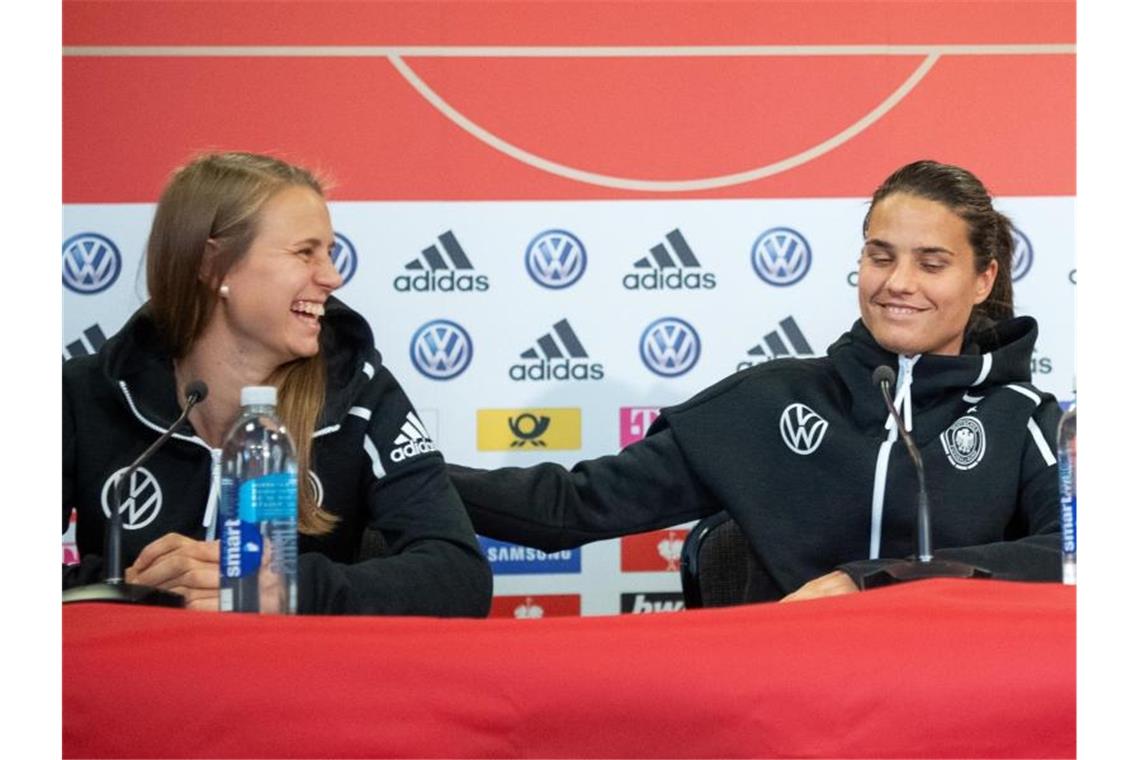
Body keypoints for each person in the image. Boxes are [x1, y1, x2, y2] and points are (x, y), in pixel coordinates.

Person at [450, 159, 1062, 602]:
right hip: (787, 710)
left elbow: (1074, 556)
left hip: (950, 713)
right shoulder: (770, 402)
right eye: (880, 256)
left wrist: (875, 579)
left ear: (982, 280)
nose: (898, 282)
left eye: (932, 263)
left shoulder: (1023, 417)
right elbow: (570, 507)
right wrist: (398, 475)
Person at [63, 152, 492, 615]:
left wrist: (289, 590)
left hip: (294, 680)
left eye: (328, 252)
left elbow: (459, 576)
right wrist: (129, 589)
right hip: (137, 678)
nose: (331, 276)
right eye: (305, 252)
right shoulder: (81, 393)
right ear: (214, 267)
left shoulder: (362, 394)